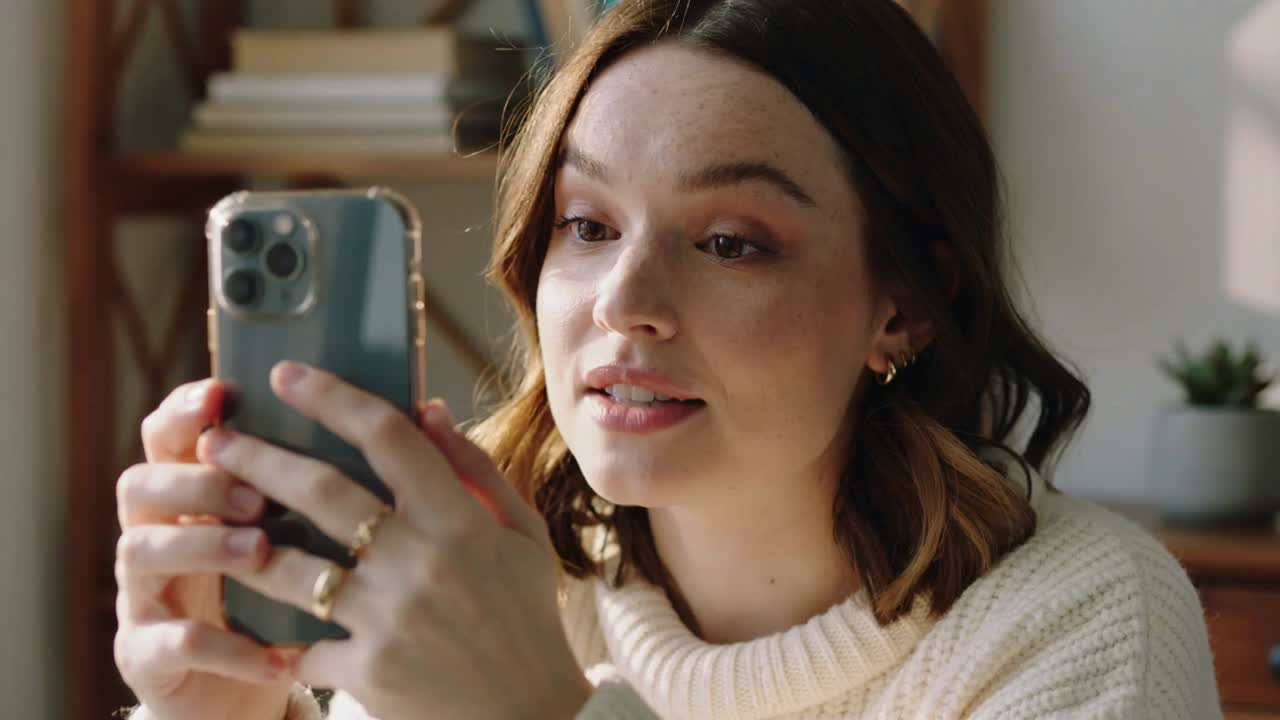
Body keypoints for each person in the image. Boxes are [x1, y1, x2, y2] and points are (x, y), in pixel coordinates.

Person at [114, 0, 1222, 718]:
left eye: (731, 242)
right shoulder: (499, 575)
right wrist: (215, 711)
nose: (624, 305)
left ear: (906, 308)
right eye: (586, 225)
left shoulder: (1077, 623)